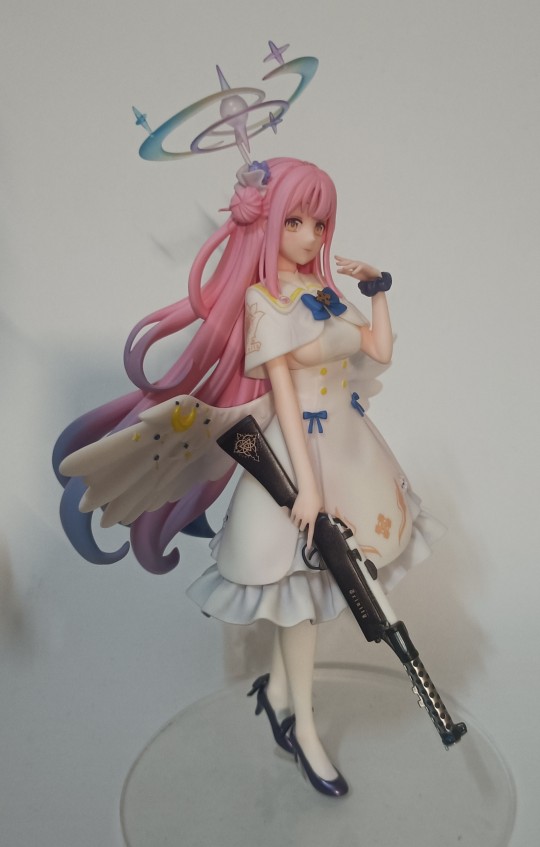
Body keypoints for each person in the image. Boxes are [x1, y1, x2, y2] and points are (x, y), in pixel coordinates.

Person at [55, 157, 442, 796]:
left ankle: (280, 695)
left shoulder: (325, 292)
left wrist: (377, 289)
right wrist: (306, 488)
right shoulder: (265, 302)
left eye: (319, 224)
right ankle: (303, 727)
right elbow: (283, 396)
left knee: (320, 595)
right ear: (269, 223)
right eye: (295, 221)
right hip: (294, 459)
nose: (310, 237)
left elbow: (378, 350)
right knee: (301, 598)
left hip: (349, 449)